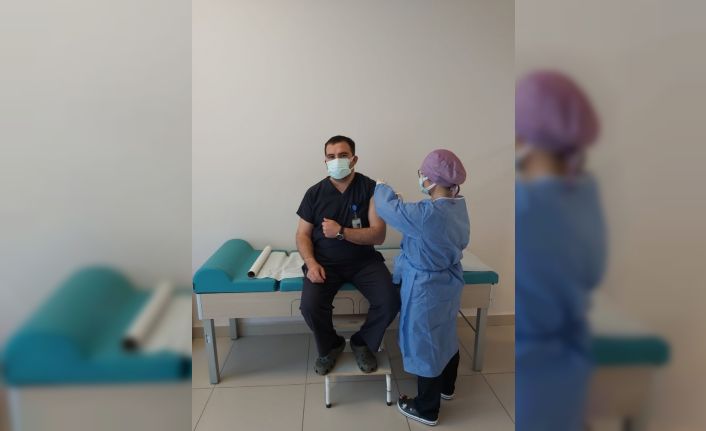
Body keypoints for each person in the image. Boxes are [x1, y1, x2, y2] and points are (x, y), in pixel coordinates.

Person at [515, 70, 607, 431]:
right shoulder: (584, 194)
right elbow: (594, 271)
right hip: (570, 367)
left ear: (523, 134)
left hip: (530, 376)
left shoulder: (525, 207)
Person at [374, 149, 470, 427]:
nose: (420, 177)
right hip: (448, 282)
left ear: (431, 179)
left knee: (424, 342)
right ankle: (447, 387)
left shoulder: (426, 215)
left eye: (422, 174)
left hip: (426, 287)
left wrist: (381, 188)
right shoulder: (457, 205)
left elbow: (389, 209)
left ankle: (427, 408)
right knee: (445, 334)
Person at [296, 135, 401, 375]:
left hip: (363, 262)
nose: (336, 161)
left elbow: (378, 235)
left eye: (342, 156)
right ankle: (331, 345)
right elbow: (302, 235)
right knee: (310, 306)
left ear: (354, 159)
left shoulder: (371, 189)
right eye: (331, 157)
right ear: (325, 161)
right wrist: (311, 263)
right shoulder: (314, 193)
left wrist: (341, 231)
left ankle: (362, 342)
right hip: (325, 263)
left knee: (390, 301)